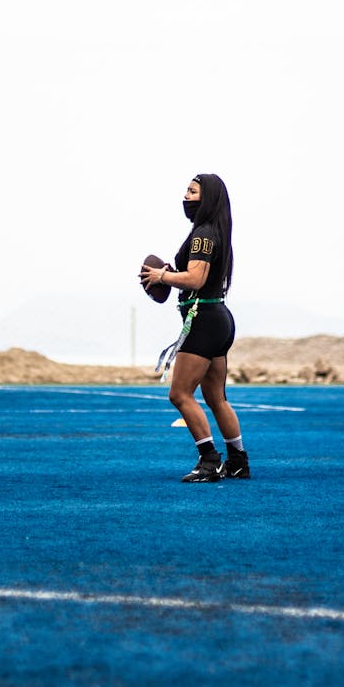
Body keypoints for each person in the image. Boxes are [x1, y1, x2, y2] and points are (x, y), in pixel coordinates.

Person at [141, 174, 250, 483]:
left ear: (208, 198)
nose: (185, 197)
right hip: (218, 318)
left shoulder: (203, 234)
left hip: (205, 321)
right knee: (216, 396)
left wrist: (162, 276)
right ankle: (238, 461)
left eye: (192, 191)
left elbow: (195, 279)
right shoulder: (216, 232)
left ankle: (210, 460)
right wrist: (171, 274)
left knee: (179, 394)